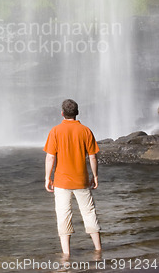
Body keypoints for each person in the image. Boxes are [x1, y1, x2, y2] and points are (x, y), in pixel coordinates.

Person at [43, 99, 101, 256]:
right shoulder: (86, 131)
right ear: (77, 113)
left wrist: (48, 177)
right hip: (81, 180)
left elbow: (50, 158)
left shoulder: (55, 131)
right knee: (89, 212)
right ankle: (98, 249)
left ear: (62, 113)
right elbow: (93, 157)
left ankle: (66, 254)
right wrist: (95, 176)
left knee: (63, 214)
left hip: (61, 182)